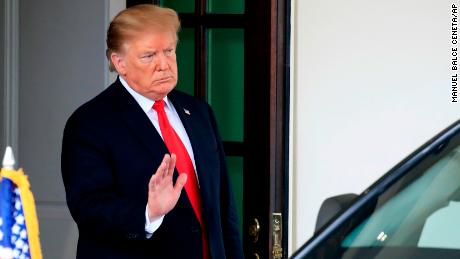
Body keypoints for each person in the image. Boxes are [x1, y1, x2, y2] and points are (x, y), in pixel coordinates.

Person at [61, 4, 244, 259]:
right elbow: (89, 208)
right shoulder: (90, 123)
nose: (163, 64)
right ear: (120, 62)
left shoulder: (199, 112)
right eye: (149, 56)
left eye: (169, 51)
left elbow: (224, 209)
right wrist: (148, 213)